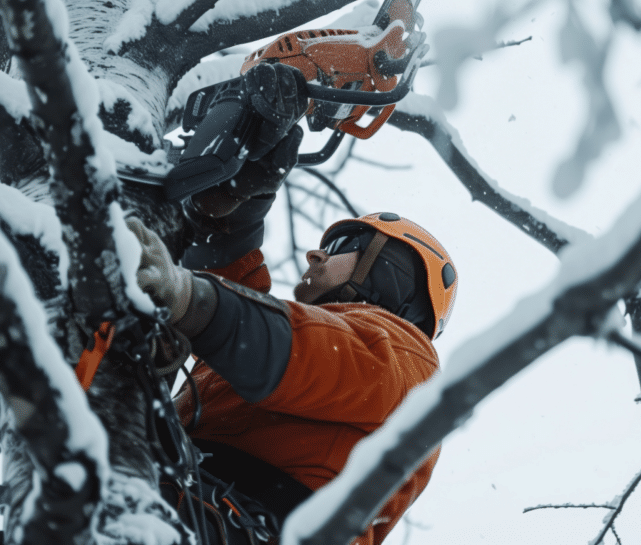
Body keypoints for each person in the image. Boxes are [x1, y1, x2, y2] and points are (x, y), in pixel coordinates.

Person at [125, 66, 457, 545]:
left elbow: (287, 347)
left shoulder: (405, 357)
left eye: (341, 246)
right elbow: (238, 292)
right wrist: (238, 198)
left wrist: (190, 300)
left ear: (392, 271)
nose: (315, 255)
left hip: (251, 522)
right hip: (199, 502)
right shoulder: (307, 343)